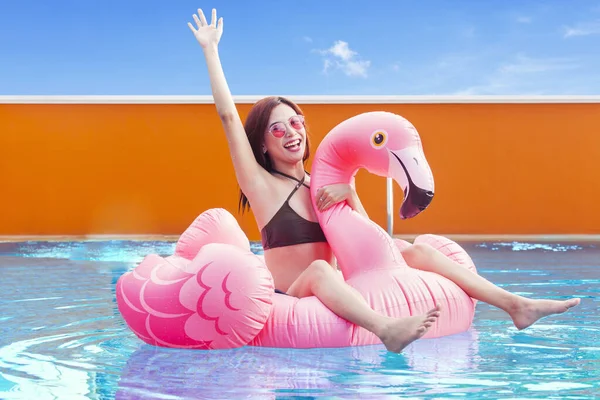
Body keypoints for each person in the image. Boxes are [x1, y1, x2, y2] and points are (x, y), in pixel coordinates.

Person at [187, 8, 580, 353]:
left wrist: (351, 193)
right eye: (277, 129)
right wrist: (210, 51)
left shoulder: (321, 183)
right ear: (261, 142)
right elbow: (227, 118)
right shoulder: (261, 185)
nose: (291, 132)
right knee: (323, 271)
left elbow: (368, 242)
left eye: (296, 122)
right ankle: (386, 328)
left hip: (336, 287)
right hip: (290, 295)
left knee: (412, 251)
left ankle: (514, 304)